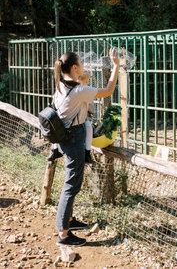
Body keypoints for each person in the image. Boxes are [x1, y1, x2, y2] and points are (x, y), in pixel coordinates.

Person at [53, 48, 119, 247]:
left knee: (71, 183)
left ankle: (69, 222)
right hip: (73, 141)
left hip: (66, 139)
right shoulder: (79, 91)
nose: (84, 65)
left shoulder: (60, 85)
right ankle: (63, 235)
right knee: (71, 186)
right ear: (74, 68)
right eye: (81, 63)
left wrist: (83, 79)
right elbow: (108, 90)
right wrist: (116, 66)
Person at [47, 70, 95, 164]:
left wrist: (87, 104)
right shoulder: (70, 90)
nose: (87, 84)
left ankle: (87, 152)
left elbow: (91, 110)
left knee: (88, 127)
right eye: (86, 82)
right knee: (55, 126)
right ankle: (55, 149)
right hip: (66, 118)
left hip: (81, 120)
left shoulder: (85, 93)